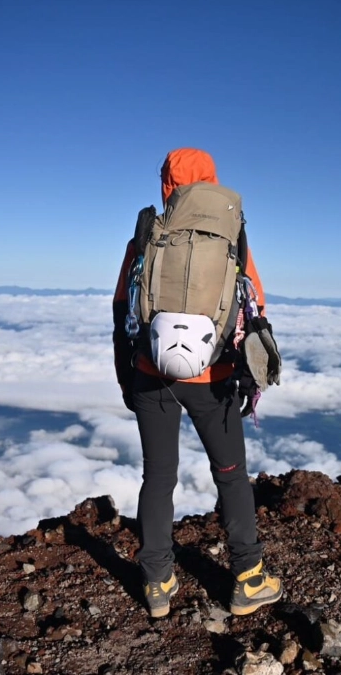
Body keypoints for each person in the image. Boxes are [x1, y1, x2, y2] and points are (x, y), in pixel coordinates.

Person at [112, 147, 283, 618]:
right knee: (230, 477)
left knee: (159, 477)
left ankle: (157, 582)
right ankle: (248, 578)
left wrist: (127, 378)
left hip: (152, 375)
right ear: (211, 181)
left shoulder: (148, 234)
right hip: (216, 379)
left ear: (168, 183)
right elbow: (254, 307)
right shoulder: (231, 240)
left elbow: (121, 309)